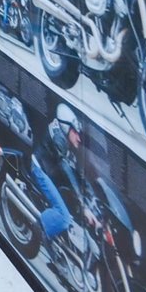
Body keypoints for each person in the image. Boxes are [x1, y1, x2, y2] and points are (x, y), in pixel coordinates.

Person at [32, 104, 85, 246]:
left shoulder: (62, 137)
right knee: (64, 217)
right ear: (67, 127)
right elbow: (65, 167)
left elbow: (74, 169)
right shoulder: (60, 140)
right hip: (39, 170)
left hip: (48, 170)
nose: (79, 138)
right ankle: (40, 229)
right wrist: (80, 198)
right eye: (76, 133)